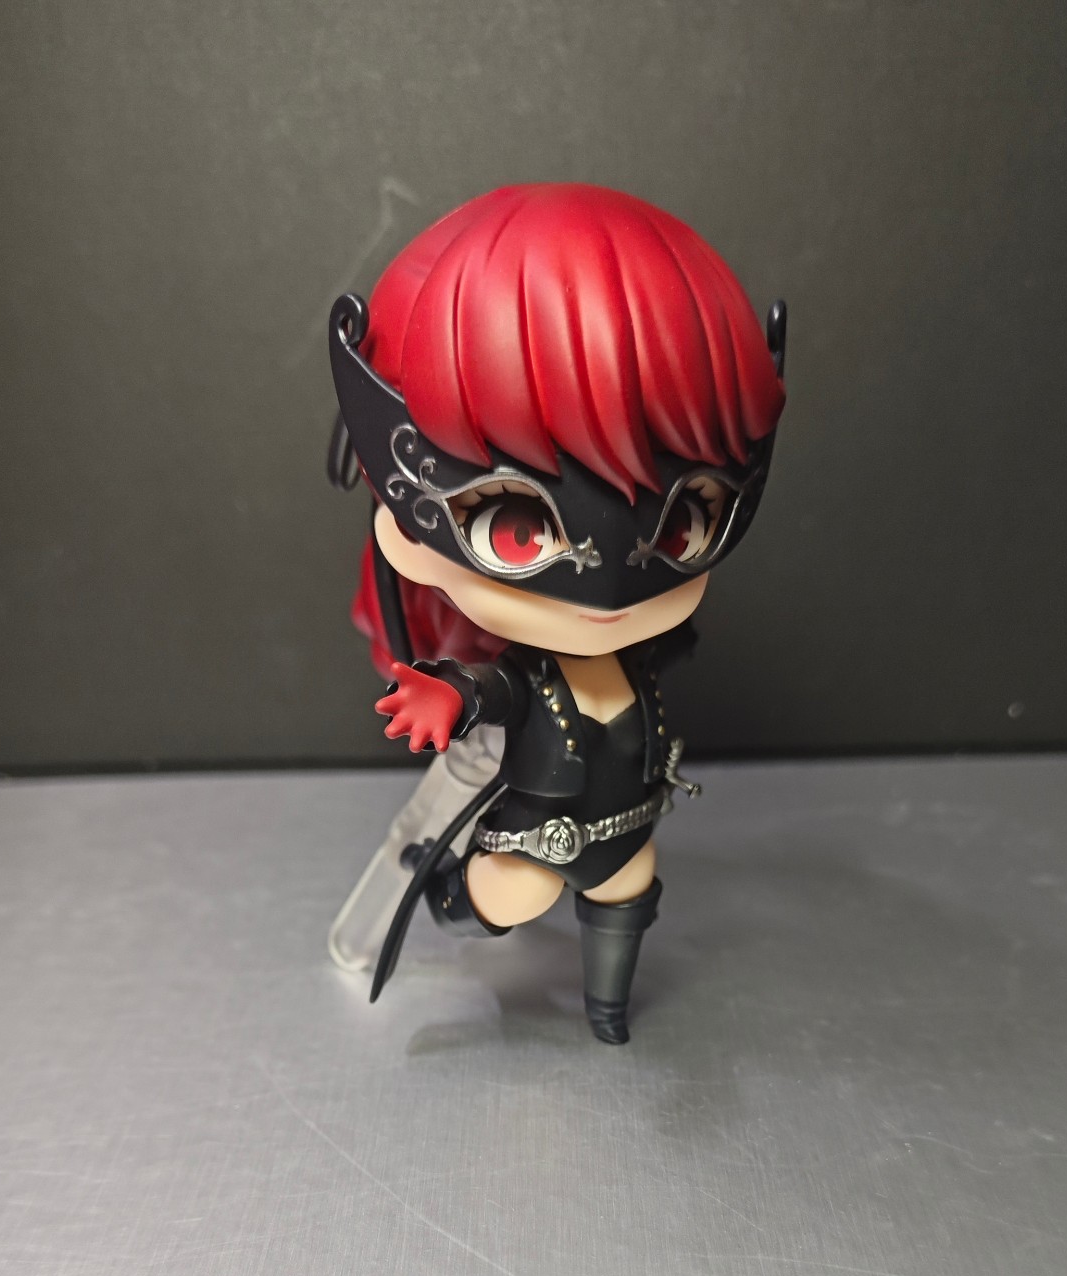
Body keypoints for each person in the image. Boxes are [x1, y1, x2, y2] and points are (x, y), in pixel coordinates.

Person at [327, 183, 786, 1043]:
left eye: (684, 522)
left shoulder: (640, 652)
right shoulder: (527, 668)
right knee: (514, 892)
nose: (608, 590)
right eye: (516, 527)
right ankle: (449, 896)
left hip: (626, 822)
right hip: (542, 828)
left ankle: (608, 1007)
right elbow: (494, 689)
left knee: (627, 891)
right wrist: (445, 694)